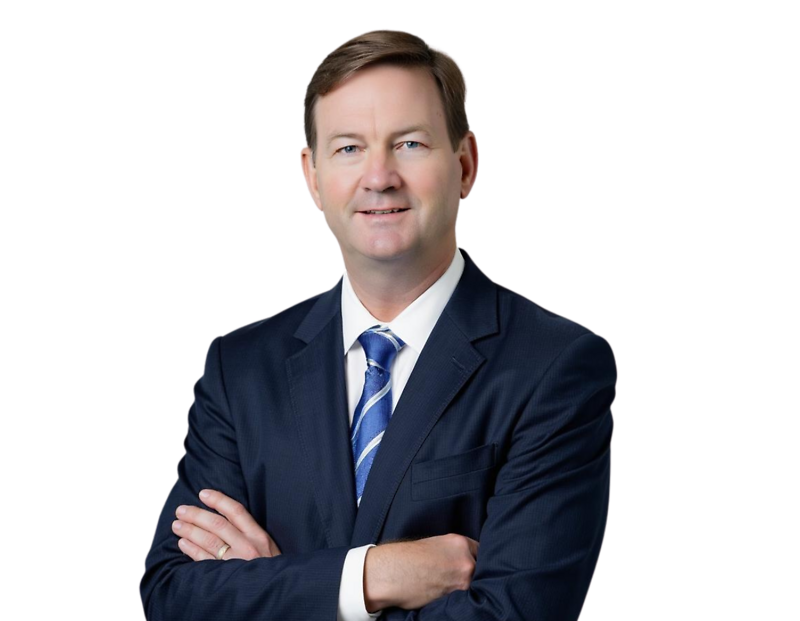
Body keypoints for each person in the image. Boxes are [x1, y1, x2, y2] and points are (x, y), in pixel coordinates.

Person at [139, 28, 617, 621]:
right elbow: (171, 596)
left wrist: (271, 586)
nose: (380, 176)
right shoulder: (240, 369)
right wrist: (368, 577)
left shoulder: (556, 366)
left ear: (466, 164)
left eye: (410, 144)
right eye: (348, 148)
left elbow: (513, 616)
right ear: (311, 175)